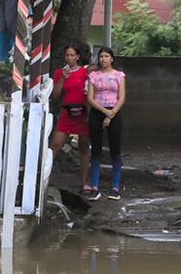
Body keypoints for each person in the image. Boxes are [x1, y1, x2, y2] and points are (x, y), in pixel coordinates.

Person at [49, 45, 92, 195]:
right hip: (66, 112)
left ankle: (84, 181)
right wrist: (62, 78)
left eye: (72, 55)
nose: (69, 58)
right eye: (67, 55)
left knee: (84, 146)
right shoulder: (59, 72)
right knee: (55, 144)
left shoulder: (85, 72)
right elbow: (55, 96)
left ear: (78, 57)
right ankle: (43, 179)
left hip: (82, 112)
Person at [86, 47, 126, 201]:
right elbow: (90, 98)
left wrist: (111, 113)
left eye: (106, 56)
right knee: (95, 149)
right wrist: (104, 112)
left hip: (114, 112)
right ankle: (94, 186)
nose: (103, 59)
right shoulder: (93, 75)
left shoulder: (119, 76)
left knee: (115, 149)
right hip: (97, 111)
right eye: (101, 56)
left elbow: (121, 97)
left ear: (112, 59)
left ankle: (115, 187)